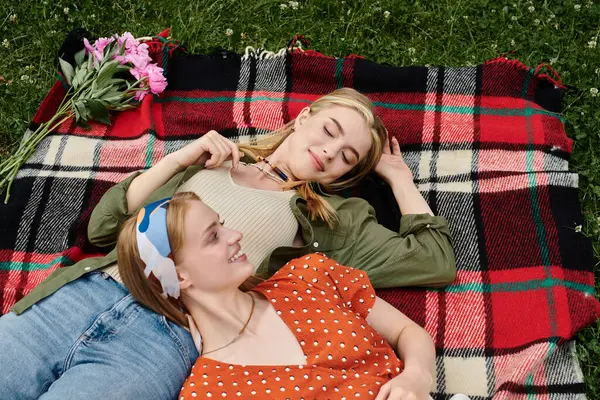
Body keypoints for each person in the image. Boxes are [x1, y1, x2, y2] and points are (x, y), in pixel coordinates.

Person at [0, 88, 456, 399]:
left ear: (345, 176)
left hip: (162, 339)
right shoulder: (216, 157)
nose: (329, 153)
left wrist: (399, 178)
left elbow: (434, 259)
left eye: (347, 159)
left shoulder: (332, 221)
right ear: (304, 118)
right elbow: (104, 228)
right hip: (85, 293)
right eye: (330, 131)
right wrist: (180, 159)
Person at [118, 192, 469, 400]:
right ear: (179, 276)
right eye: (213, 236)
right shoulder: (208, 390)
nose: (234, 234)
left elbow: (409, 332)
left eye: (222, 224)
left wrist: (416, 378)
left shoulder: (308, 275)